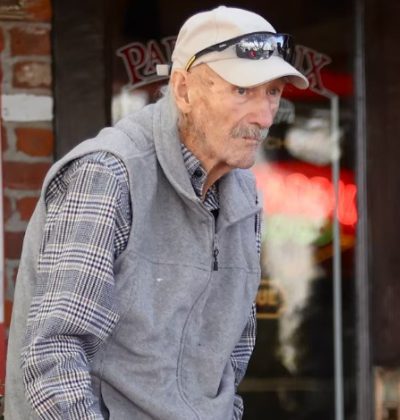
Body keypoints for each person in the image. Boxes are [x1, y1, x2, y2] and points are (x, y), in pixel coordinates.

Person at [4, 6, 308, 419]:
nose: (263, 115)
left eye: (272, 92)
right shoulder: (107, 174)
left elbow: (228, 363)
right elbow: (53, 359)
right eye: (242, 91)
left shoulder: (244, 196)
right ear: (183, 90)